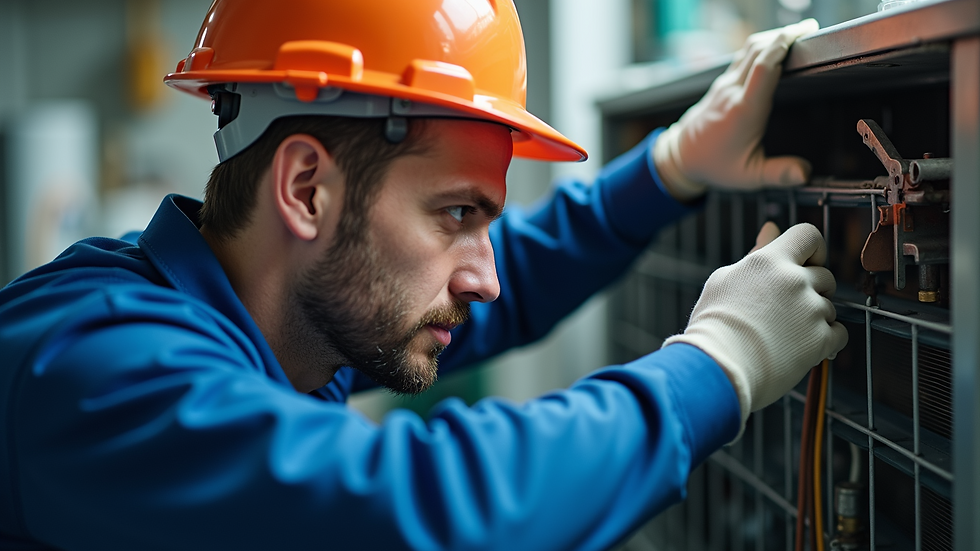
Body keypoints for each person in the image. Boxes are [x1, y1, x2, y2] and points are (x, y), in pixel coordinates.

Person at [0, 1, 847, 549]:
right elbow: (410, 506)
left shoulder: (275, 322)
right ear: (306, 189)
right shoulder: (92, 370)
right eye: (457, 213)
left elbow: (483, 276)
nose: (485, 279)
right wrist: (717, 363)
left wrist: (666, 168)